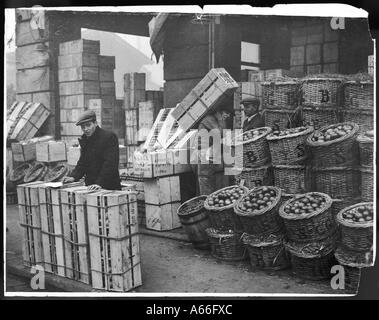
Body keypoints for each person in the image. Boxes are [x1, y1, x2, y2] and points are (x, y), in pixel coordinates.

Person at [63, 110, 121, 191]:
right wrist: (73, 177)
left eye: (88, 125)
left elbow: (110, 164)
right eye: (83, 127)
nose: (86, 129)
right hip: (90, 186)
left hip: (109, 186)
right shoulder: (85, 139)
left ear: (95, 123)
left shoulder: (109, 137)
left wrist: (99, 183)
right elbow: (83, 162)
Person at [194, 104, 233, 195]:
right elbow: (220, 133)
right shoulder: (209, 120)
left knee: (210, 182)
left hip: (209, 155)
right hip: (205, 155)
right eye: (226, 113)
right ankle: (206, 204)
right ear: (218, 112)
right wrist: (221, 119)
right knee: (206, 182)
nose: (228, 116)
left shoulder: (213, 120)